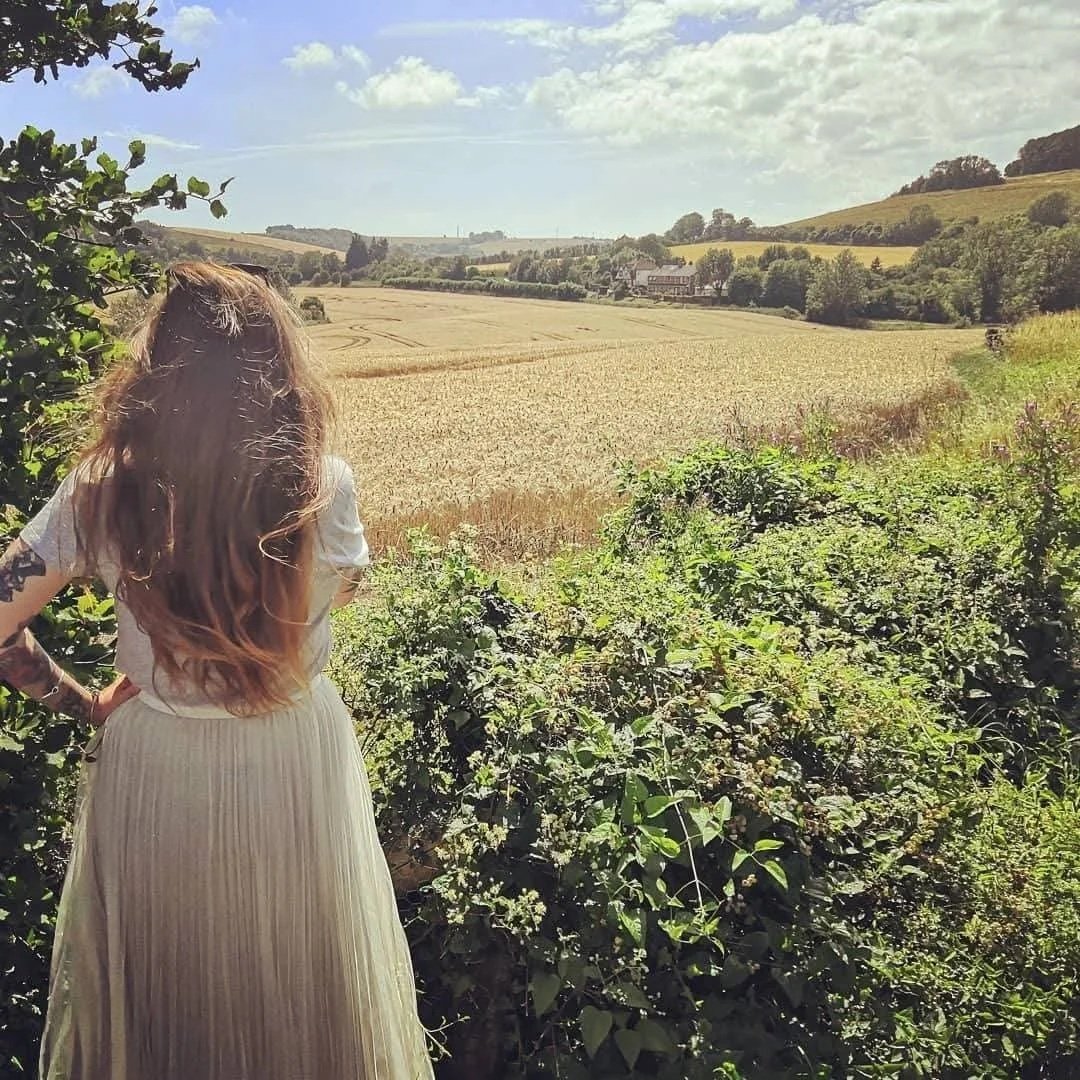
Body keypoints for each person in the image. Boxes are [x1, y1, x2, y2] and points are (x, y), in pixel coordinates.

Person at [0, 262, 434, 1080]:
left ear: (156, 371)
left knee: (166, 1007)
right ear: (277, 373)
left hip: (155, 767)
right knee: (301, 998)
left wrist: (77, 698)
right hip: (291, 762)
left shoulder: (103, 492)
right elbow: (335, 597)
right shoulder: (321, 487)